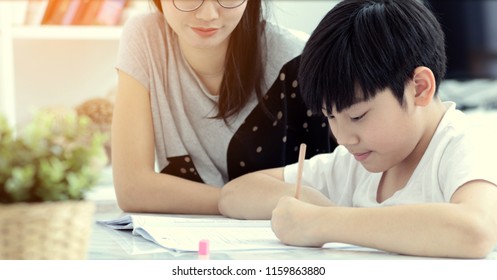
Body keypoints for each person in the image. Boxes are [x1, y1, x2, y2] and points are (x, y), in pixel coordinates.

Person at [218, 0, 497, 258]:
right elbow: (234, 194)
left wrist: (325, 222)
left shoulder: (467, 143)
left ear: (419, 88)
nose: (342, 138)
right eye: (330, 116)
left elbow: (476, 230)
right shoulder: (356, 164)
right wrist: (308, 202)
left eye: (358, 115)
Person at [111, 0, 336, 214]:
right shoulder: (146, 38)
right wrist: (234, 201)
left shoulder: (299, 63)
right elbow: (132, 188)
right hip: (188, 244)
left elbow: (338, 187)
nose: (208, 14)